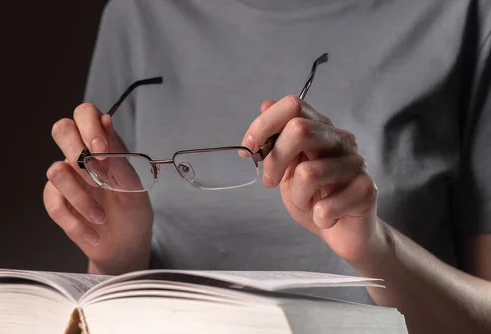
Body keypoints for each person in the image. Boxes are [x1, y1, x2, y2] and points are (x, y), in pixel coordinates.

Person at [43, 1, 491, 333]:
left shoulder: (464, 14)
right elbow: (116, 307)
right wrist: (119, 256)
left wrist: (374, 245)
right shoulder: (137, 15)